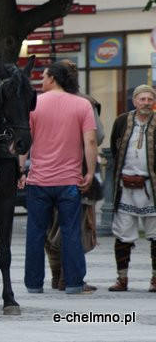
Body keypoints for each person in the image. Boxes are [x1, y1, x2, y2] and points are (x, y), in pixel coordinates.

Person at [19, 60, 97, 295]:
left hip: (39, 181)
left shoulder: (34, 105)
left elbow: (24, 141)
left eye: (43, 77)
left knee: (35, 232)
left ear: (52, 78)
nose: (41, 81)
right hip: (69, 182)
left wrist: (21, 170)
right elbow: (91, 141)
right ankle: (73, 283)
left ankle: (33, 284)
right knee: (71, 231)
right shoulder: (82, 105)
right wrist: (90, 172)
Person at [45, 93, 103, 291]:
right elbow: (97, 137)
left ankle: (57, 277)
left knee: (51, 227)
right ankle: (66, 277)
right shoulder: (85, 103)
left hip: (45, 175)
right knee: (75, 228)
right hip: (75, 174)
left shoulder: (42, 101)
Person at [108, 84, 156, 292]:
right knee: (123, 234)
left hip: (152, 188)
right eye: (142, 99)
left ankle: (155, 279)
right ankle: (122, 278)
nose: (146, 103)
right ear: (134, 101)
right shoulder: (121, 121)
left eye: (149, 99)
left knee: (155, 234)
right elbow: (113, 148)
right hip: (125, 186)